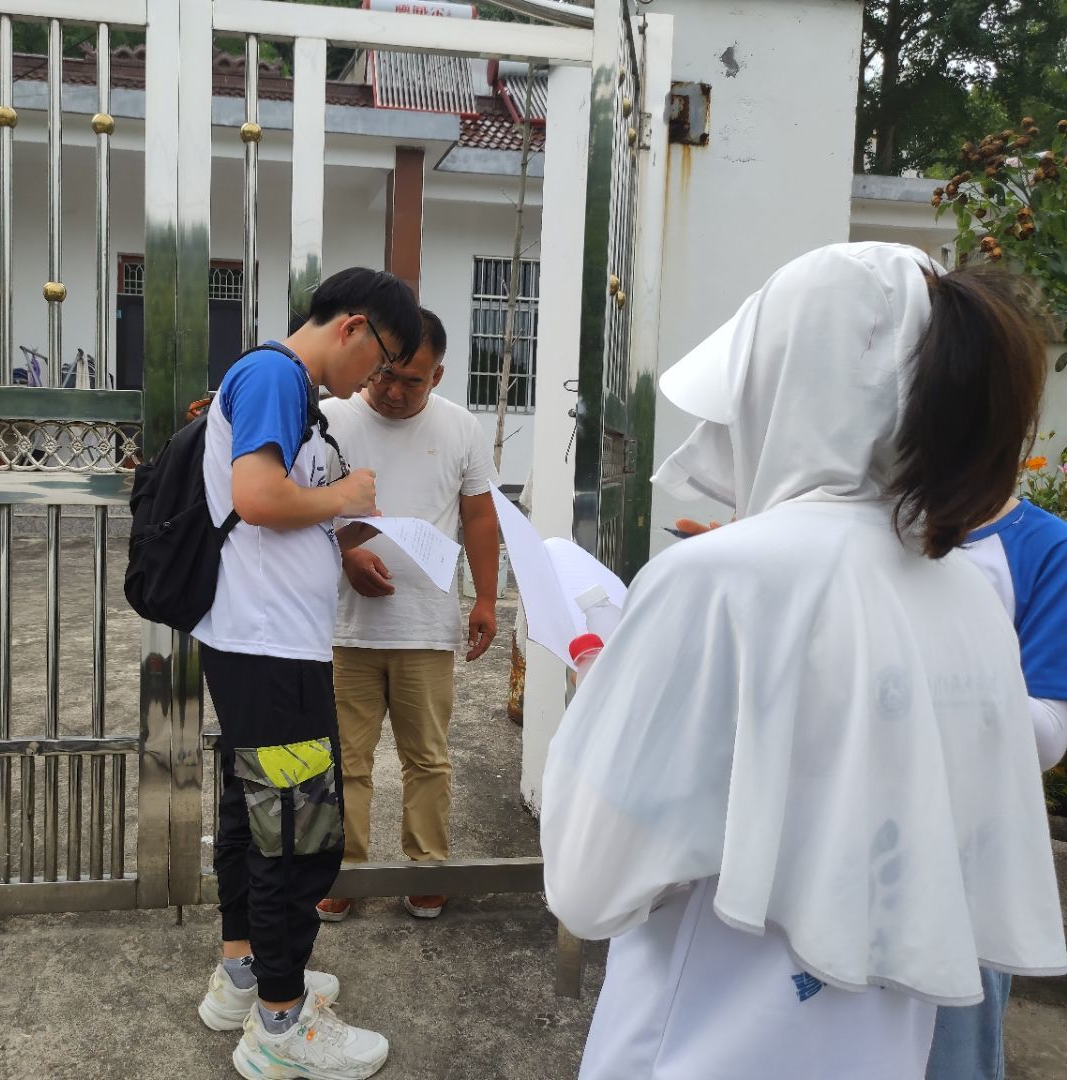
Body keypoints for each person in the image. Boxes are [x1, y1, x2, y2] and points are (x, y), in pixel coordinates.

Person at [540, 243, 1067, 1079]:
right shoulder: (966, 591)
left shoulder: (716, 580)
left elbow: (587, 886)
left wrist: (607, 694)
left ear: (789, 385)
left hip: (700, 1049)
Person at [191, 267, 422, 1080]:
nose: (375, 381)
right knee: (295, 834)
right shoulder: (275, 377)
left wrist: (343, 535)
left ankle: (245, 976)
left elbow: (271, 513)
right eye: (381, 361)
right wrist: (345, 494)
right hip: (270, 650)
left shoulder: (291, 392)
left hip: (263, 644)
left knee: (255, 815)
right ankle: (280, 1027)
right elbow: (258, 498)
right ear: (353, 327)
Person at [313, 308, 500, 923]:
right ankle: (343, 872)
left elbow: (479, 515)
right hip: (344, 627)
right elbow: (302, 506)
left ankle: (427, 868)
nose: (394, 391)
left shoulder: (461, 428)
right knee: (345, 757)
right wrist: (346, 554)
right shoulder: (333, 416)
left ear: (437, 376)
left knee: (428, 758)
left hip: (425, 623)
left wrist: (485, 598)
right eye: (385, 374)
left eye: (412, 381)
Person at [925, 493, 1067, 1080]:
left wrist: (918, 671)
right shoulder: (870, 529)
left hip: (967, 867)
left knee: (951, 1054)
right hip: (852, 848)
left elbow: (1048, 735)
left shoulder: (1045, 546)